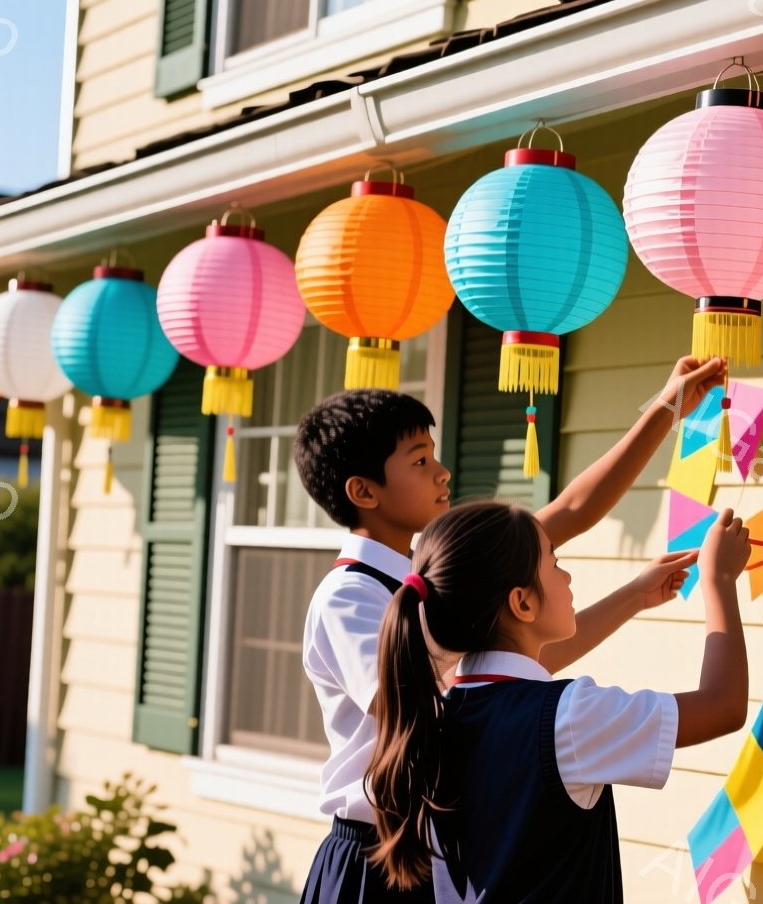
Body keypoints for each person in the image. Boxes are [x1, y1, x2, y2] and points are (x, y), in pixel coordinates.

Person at [295, 357, 725, 903]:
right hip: (374, 858)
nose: (442, 471)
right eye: (420, 460)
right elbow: (431, 700)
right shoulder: (349, 595)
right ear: (364, 491)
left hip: (438, 849)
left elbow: (573, 509)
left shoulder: (440, 575)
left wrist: (667, 409)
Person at [365, 500, 753, 900]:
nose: (567, 576)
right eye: (554, 562)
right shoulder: (567, 717)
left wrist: (637, 595)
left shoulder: (437, 714)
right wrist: (718, 580)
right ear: (523, 603)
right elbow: (722, 706)